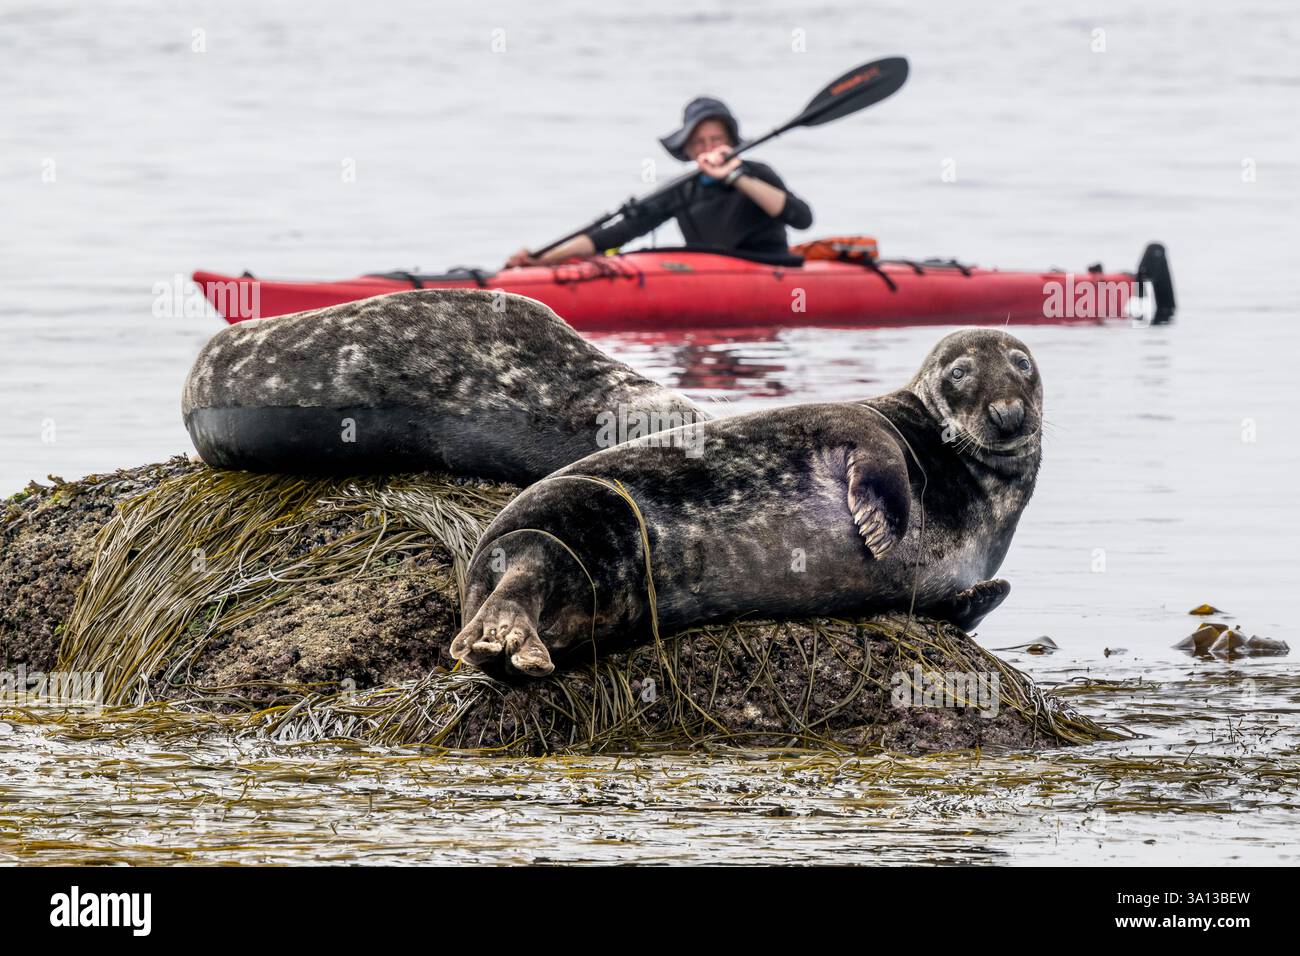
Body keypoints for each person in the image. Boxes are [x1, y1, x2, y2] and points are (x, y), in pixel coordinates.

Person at [505, 96, 813, 268]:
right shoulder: (682, 189)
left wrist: (735, 176)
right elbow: (618, 233)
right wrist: (542, 260)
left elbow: (801, 218)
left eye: (716, 139)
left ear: (731, 141)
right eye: (699, 142)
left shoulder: (756, 173)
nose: (708, 148)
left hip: (769, 266)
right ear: (689, 150)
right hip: (711, 273)